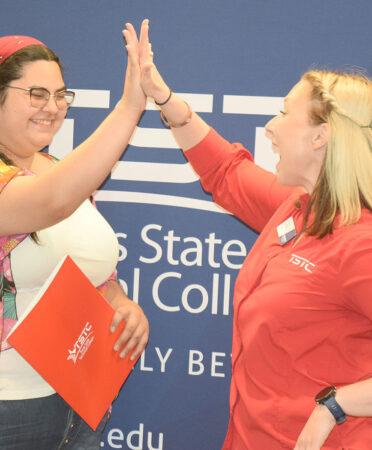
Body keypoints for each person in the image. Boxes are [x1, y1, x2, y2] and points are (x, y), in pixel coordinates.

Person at [126, 19, 372, 449]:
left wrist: (336, 406)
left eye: (283, 113)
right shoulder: (297, 208)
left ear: (321, 137)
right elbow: (225, 170)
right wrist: (162, 96)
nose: (270, 128)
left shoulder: (361, 245)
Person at [0, 25, 149, 449]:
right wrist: (129, 107)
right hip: (9, 409)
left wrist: (118, 302)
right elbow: (50, 203)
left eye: (60, 94)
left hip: (78, 400)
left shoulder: (58, 168)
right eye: (36, 94)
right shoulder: (57, 186)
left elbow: (94, 272)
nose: (52, 107)